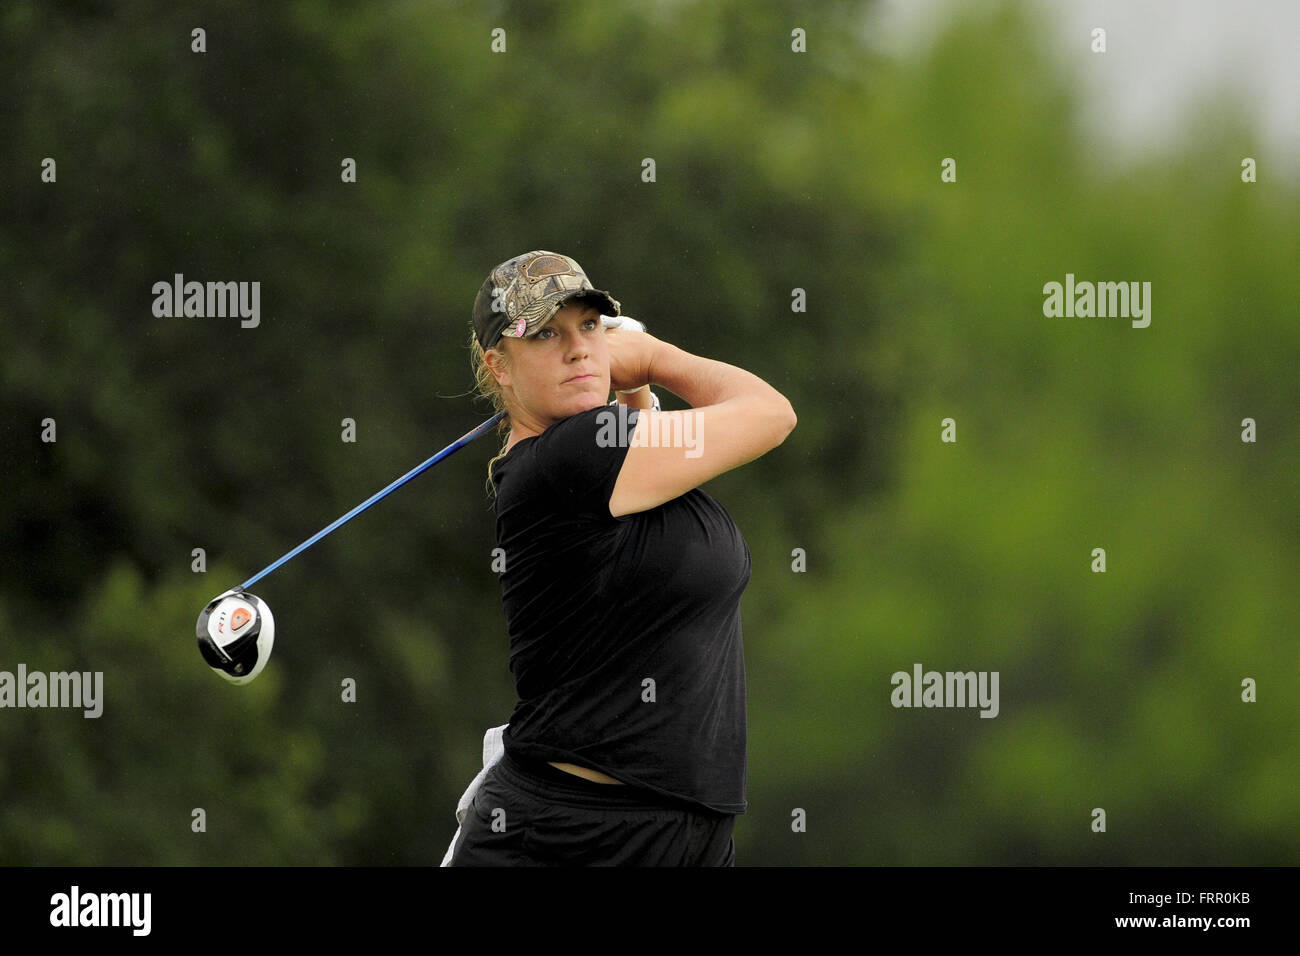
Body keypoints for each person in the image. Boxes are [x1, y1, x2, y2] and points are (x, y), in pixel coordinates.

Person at [445, 250, 796, 866]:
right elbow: (771, 414)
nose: (578, 349)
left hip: (680, 834)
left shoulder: (607, 462)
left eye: (589, 326)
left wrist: (632, 385)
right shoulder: (572, 456)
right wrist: (655, 357)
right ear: (498, 366)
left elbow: (644, 497)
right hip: (572, 836)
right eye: (547, 334)